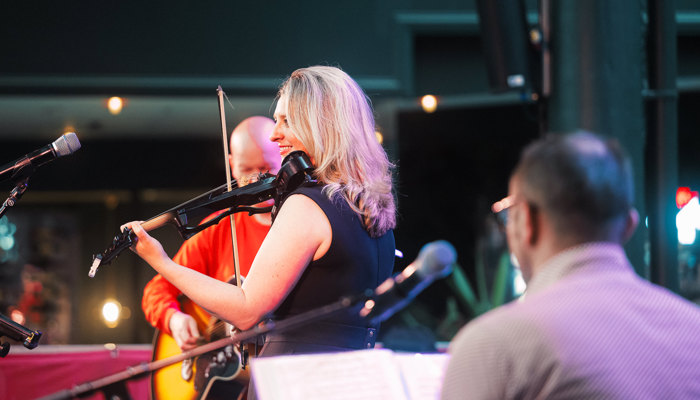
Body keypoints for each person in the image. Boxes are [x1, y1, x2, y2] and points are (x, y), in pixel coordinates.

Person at [125, 66, 396, 397]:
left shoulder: (306, 206)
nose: (274, 134)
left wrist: (160, 260)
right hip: (348, 382)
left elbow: (246, 310)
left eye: (287, 121)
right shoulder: (371, 208)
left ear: (320, 124)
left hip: (293, 382)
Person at [441, 131, 700, 399]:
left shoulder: (493, 346)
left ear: (526, 221)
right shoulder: (694, 330)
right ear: (629, 226)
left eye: (509, 216)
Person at [141, 116, 280, 351]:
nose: (257, 179)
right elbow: (157, 290)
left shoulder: (300, 222)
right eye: (246, 170)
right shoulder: (219, 227)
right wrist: (174, 319)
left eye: (267, 168)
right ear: (232, 165)